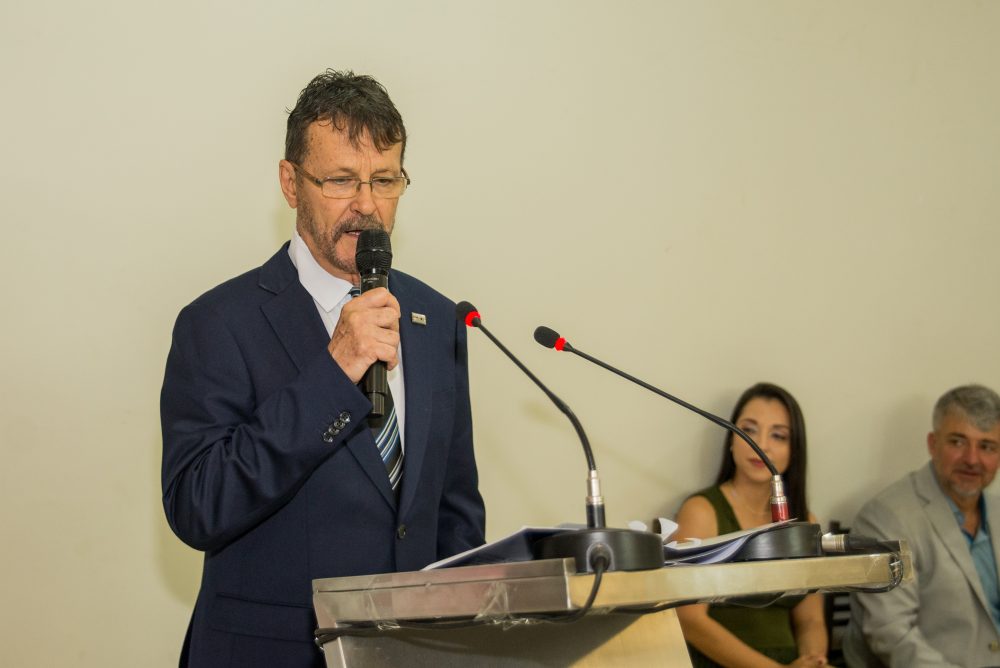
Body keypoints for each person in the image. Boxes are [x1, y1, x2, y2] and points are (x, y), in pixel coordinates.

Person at [160, 70, 486, 667]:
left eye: (384, 180)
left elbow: (455, 511)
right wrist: (334, 373)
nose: (366, 205)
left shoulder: (438, 319)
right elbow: (197, 506)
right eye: (340, 180)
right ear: (291, 183)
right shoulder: (218, 323)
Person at [842, 384, 1000, 667]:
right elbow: (892, 635)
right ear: (932, 444)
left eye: (987, 446)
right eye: (958, 442)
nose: (972, 459)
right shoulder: (884, 519)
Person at [674, 382, 828, 667]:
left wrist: (813, 660)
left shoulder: (804, 520)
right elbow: (689, 620)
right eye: (749, 430)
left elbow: (811, 619)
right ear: (731, 439)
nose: (762, 445)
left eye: (778, 435)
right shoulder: (701, 511)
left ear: (794, 450)